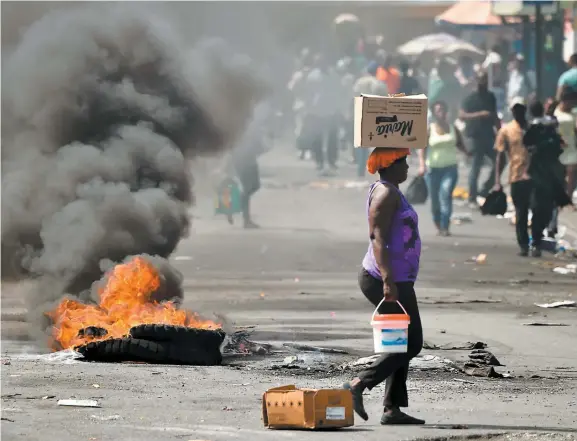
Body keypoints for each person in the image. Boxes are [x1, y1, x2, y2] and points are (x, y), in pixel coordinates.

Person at [343, 148, 424, 426]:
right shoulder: (386, 193)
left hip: (397, 278)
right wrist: (389, 280)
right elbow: (377, 237)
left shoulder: (389, 189)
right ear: (389, 164)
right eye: (403, 162)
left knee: (400, 343)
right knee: (411, 343)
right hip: (384, 279)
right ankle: (359, 383)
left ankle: (392, 409)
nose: (408, 167)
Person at [522, 100, 570, 252]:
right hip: (547, 173)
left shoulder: (536, 129)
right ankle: (538, 238)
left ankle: (537, 239)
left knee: (540, 208)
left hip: (541, 174)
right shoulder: (545, 129)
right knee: (545, 207)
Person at [418, 101, 468, 236]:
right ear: (434, 113)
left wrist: (468, 153)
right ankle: (438, 223)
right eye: (437, 110)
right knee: (435, 200)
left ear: (446, 112)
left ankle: (445, 226)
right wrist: (422, 165)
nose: (440, 112)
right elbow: (422, 148)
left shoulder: (453, 128)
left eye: (442, 110)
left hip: (450, 168)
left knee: (445, 194)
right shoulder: (430, 129)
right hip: (433, 170)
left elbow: (460, 144)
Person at [493, 98, 534, 256]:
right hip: (516, 176)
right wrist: (497, 180)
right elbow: (500, 157)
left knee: (537, 209)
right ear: (512, 111)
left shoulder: (533, 128)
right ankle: (524, 244)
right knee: (521, 211)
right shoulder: (506, 130)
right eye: (515, 109)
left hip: (535, 176)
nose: (518, 112)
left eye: (521, 109)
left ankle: (536, 240)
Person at [459, 72, 501, 207]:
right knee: (476, 166)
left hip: (489, 135)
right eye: (481, 80)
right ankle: (472, 197)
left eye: (485, 80)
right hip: (475, 135)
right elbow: (462, 115)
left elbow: (494, 115)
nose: (483, 83)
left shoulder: (490, 97)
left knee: (500, 161)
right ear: (476, 81)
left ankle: (484, 190)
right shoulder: (469, 98)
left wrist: (501, 132)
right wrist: (479, 114)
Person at [352, 63, 389, 178]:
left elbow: (353, 96)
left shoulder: (359, 82)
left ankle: (360, 170)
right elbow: (385, 100)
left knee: (362, 144)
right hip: (375, 115)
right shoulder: (380, 84)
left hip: (361, 113)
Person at [553, 88, 577, 201]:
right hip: (559, 147)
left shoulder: (574, 113)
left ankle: (568, 198)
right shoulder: (555, 112)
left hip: (571, 146)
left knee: (571, 174)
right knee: (560, 174)